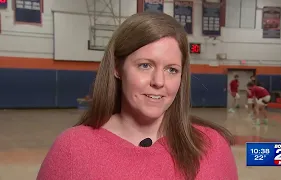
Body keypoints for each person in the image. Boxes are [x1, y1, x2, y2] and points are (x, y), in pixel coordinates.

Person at [36, 12, 238, 180]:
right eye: (145, 65)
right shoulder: (73, 149)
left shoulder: (212, 147)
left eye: (172, 70)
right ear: (117, 68)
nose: (159, 81)